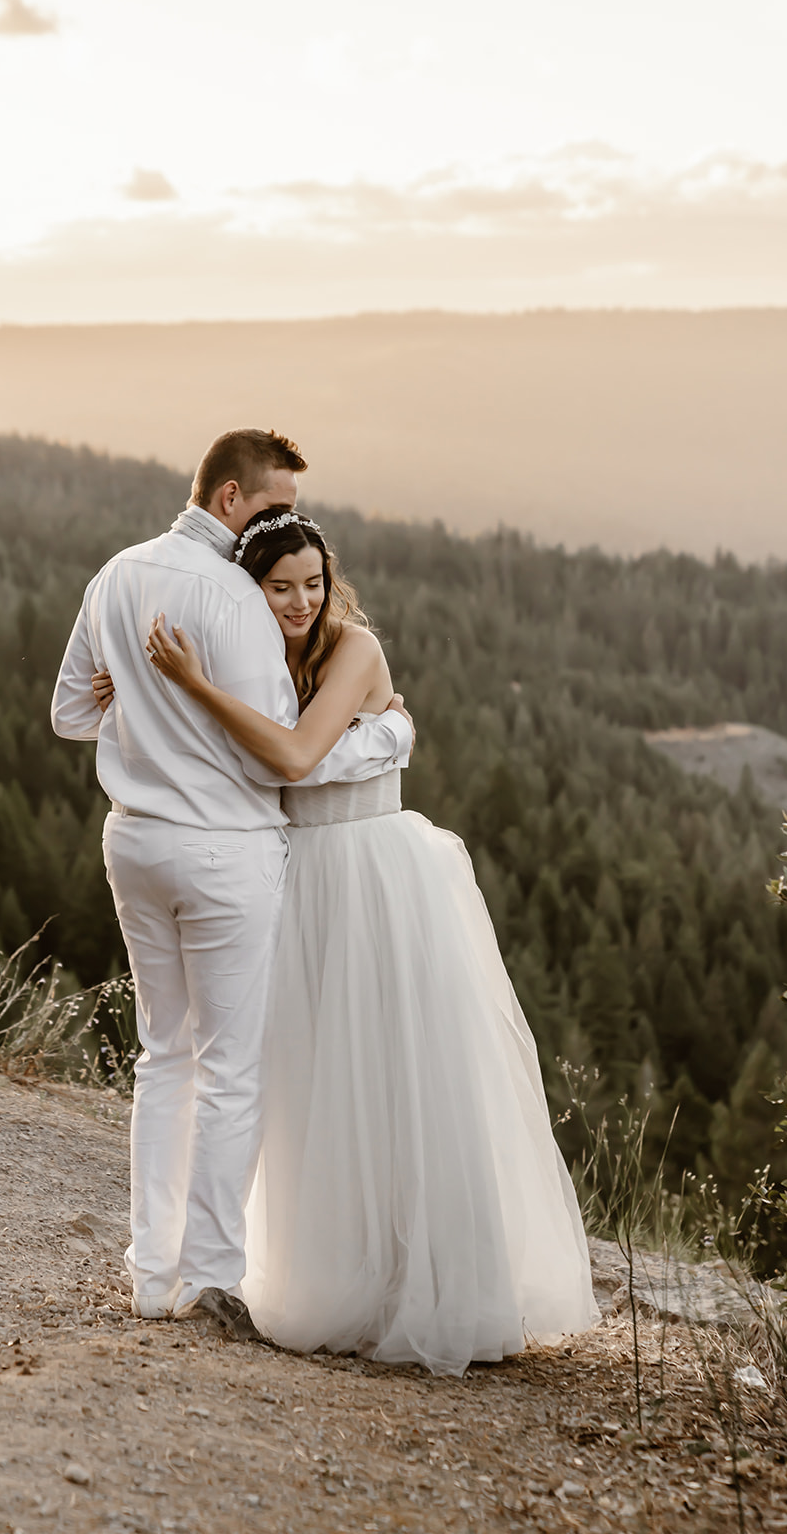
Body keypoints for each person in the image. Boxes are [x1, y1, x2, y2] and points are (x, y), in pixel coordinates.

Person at [143, 507, 600, 1375]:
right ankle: (340, 1277)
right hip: (298, 880)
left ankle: (430, 1285)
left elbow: (293, 759)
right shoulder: (255, 652)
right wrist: (138, 689)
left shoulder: (351, 646)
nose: (300, 601)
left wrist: (199, 688)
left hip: (375, 874)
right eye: (280, 587)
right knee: (317, 1079)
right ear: (250, 589)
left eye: (312, 583)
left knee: (404, 1073)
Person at [50, 431, 413, 1338]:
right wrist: (387, 736)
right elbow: (286, 754)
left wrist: (132, 697)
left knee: (161, 1056)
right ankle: (208, 1278)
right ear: (226, 499)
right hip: (222, 848)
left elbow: (68, 714)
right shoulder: (237, 600)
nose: (284, 523)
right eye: (272, 504)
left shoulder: (116, 574)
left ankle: (147, 1274)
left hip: (133, 840)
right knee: (230, 1070)